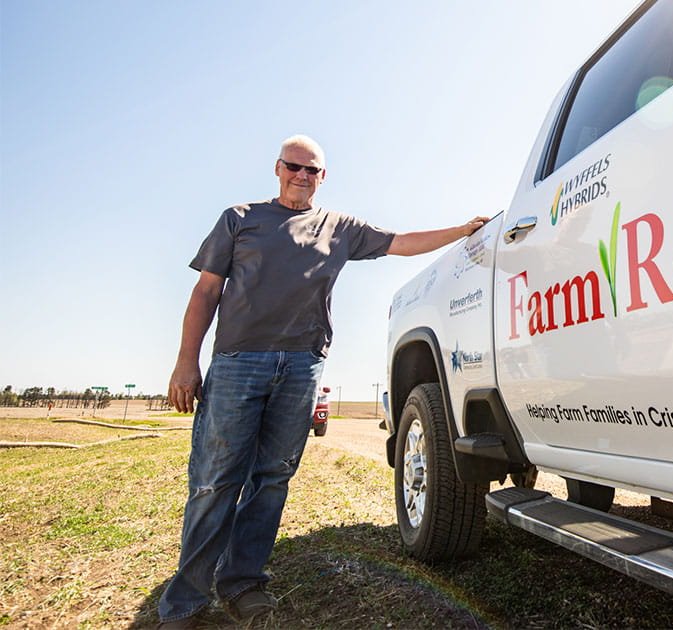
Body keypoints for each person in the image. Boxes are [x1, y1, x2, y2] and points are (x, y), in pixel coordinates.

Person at [157, 135, 488, 629]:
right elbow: (206, 291)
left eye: (312, 170)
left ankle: (243, 582)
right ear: (277, 167)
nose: (302, 176)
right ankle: (184, 604)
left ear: (322, 177)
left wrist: (463, 231)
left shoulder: (340, 228)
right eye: (295, 167)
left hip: (302, 366)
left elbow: (400, 243)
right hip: (236, 363)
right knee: (215, 480)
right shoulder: (240, 218)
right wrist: (187, 362)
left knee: (272, 479)